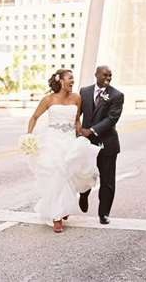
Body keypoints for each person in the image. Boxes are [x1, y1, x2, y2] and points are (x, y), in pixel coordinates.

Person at [26, 69, 100, 233]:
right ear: (60, 81)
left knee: (69, 175)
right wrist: (28, 136)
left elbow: (76, 120)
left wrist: (81, 133)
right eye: (70, 78)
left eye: (73, 78)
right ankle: (56, 216)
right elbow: (34, 117)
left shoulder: (76, 98)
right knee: (56, 175)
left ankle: (63, 207)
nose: (72, 81)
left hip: (69, 140)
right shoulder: (48, 99)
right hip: (52, 141)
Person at [79, 66, 124, 225]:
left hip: (107, 144)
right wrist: (76, 130)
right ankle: (83, 195)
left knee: (107, 181)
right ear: (96, 74)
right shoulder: (84, 92)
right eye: (105, 75)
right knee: (85, 174)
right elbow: (77, 114)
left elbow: (112, 119)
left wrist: (91, 130)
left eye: (110, 75)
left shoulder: (116, 95)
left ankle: (103, 213)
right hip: (86, 144)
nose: (108, 78)